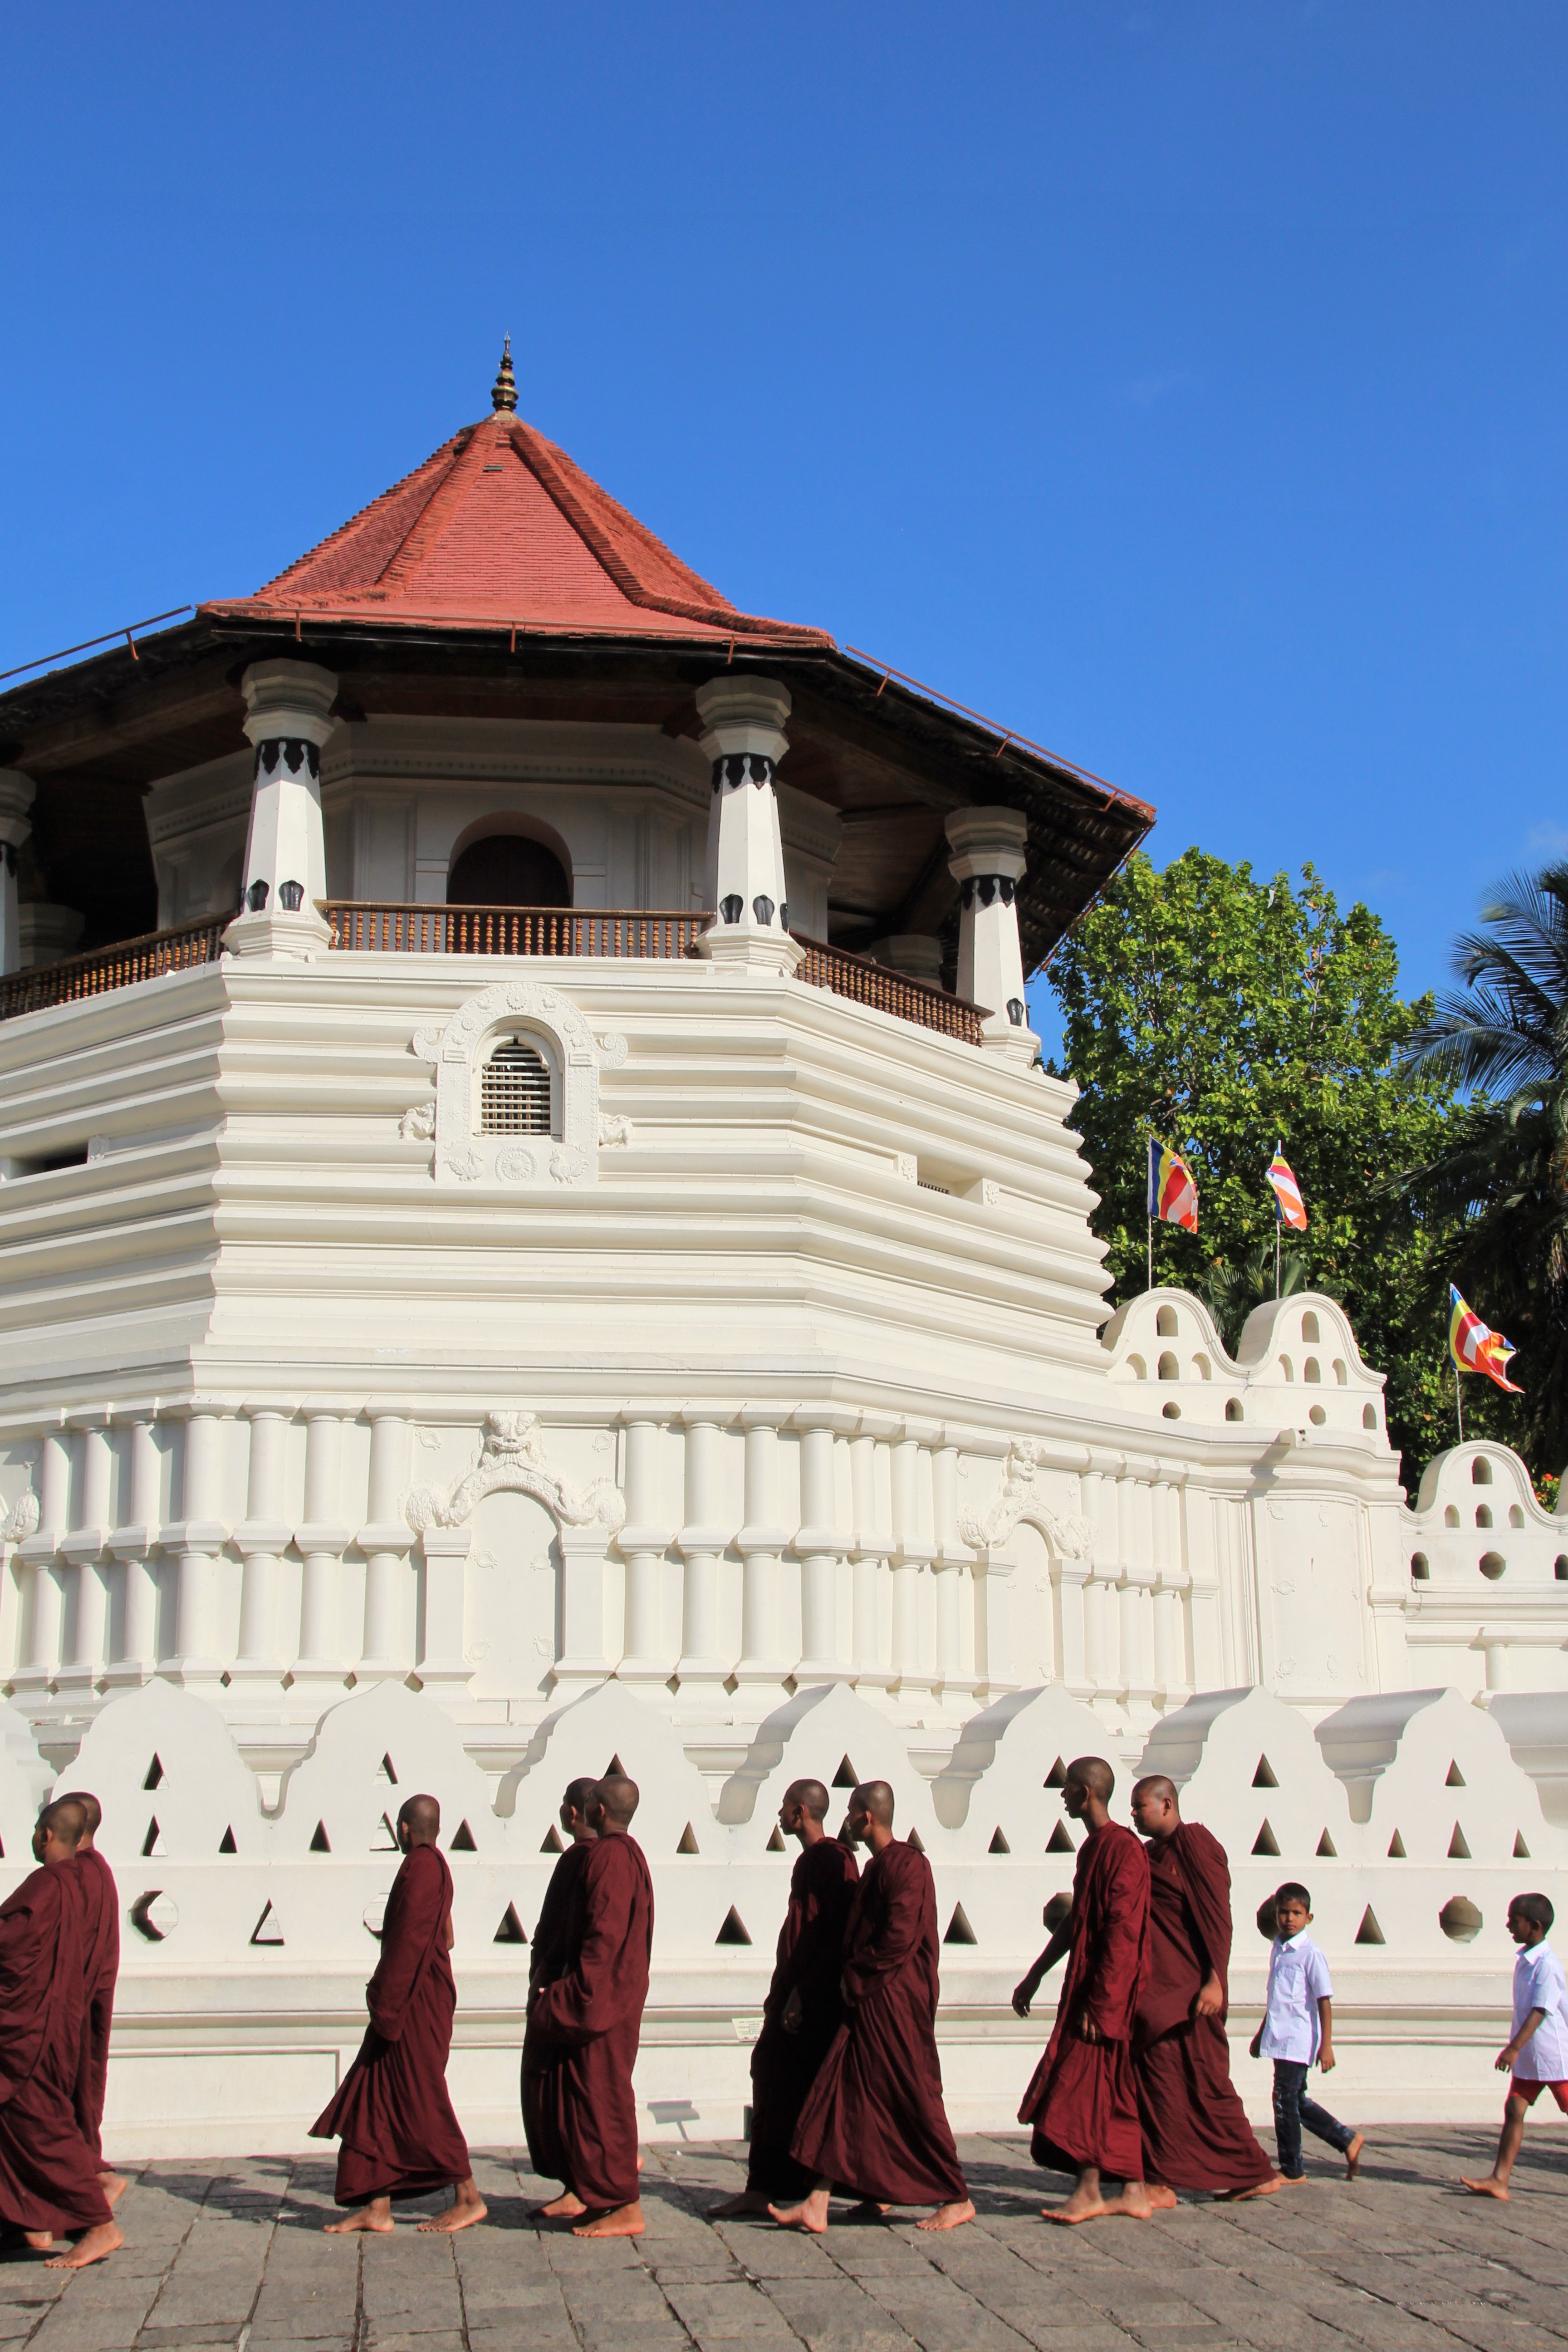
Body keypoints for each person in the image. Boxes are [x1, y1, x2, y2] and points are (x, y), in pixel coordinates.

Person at [769, 1780, 974, 2234]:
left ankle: (958, 2197)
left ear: (866, 1817)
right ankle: (823, 2201)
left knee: (915, 2096)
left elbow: (899, 1936)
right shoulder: (878, 1866)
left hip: (895, 2001)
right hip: (871, 2002)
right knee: (844, 2094)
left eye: (850, 1812)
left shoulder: (907, 1864)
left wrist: (855, 1976)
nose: (845, 1820)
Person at [310, 1794, 485, 2234]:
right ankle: (378, 2206)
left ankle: (469, 2196)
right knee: (377, 2095)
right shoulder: (437, 1866)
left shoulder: (420, 1867)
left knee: (422, 2095)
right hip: (420, 1995)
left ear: (403, 1829)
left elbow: (407, 1944)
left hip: (411, 2002)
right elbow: (446, 1938)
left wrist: (385, 1999)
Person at [1013, 1756, 1157, 2224]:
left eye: (1068, 1787)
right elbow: (1079, 1920)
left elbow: (1123, 1931)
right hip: (1090, 1987)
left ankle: (1089, 2190)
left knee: (1083, 2087)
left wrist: (1103, 2002)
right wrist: (1037, 1972)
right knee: (1115, 2092)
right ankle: (1134, 2191)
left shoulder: (1124, 1850)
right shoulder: (1094, 1849)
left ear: (1085, 1793)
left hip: (1106, 1995)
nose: (1062, 1795)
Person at [709, 1778, 860, 2218]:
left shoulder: (833, 1860)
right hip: (795, 1992)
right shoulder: (813, 1861)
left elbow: (832, 1936)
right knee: (772, 2082)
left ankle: (792, 2187)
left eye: (785, 1807)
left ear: (801, 1813)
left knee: (793, 2089)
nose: (779, 1815)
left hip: (813, 2001)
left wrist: (802, 1993)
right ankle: (766, 2186)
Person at [1127, 1776, 1281, 2201]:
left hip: (1193, 1992)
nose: (1134, 1814)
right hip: (1160, 1993)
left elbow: (1218, 1917)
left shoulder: (1197, 1845)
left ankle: (1254, 2170)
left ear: (1167, 1805)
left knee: (1207, 2085)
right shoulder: (1148, 1856)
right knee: (1158, 2085)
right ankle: (1159, 2179)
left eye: (1141, 1806)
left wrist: (1216, 1980)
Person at [525, 1774, 654, 2240]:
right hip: (609, 1996)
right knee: (587, 2100)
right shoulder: (627, 1855)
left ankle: (626, 2205)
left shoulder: (608, 1857)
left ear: (596, 1810)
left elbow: (603, 1937)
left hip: (599, 1999)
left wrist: (573, 1993)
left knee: (603, 2101)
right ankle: (591, 2191)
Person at [0, 1798, 122, 2269]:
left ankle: (98, 2223)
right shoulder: (80, 1877)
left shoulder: (48, 1884)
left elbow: (11, 1944)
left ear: (46, 1835)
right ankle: (21, 2220)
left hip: (30, 2034)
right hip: (59, 2019)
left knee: (40, 2127)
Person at [1248, 1881, 1364, 2182]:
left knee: (1283, 2099)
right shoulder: (1278, 1950)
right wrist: (1261, 2034)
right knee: (1295, 2100)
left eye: (1296, 1913)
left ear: (1308, 1918)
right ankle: (1347, 2139)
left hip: (1298, 2039)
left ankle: (1292, 2168)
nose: (1289, 1919)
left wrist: (1327, 2045)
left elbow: (1324, 2001)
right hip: (1278, 2036)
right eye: (1284, 1913)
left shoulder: (1311, 1955)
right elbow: (1276, 1998)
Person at [522, 1776, 599, 2219]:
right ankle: (578, 2184)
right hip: (575, 1991)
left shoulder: (579, 1859)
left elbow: (562, 1932)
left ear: (572, 1812)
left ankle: (585, 2181)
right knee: (568, 2091)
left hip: (562, 1993)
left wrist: (544, 1980)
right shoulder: (597, 1859)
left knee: (561, 2091)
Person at [1461, 1892, 1568, 2200]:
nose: (1509, 1925)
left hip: (1553, 2056)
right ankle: (1500, 2180)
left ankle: (1500, 2179)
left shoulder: (1547, 1965)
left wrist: (1513, 2049)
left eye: (1514, 1920)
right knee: (1514, 2109)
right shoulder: (1526, 1961)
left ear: (1534, 1926)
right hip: (1533, 2057)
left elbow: (1540, 2011)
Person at [57, 1790, 123, 2203]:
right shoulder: (99, 1871)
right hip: (87, 2002)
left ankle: (94, 2181)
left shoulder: (78, 1875)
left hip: (74, 2006)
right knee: (82, 2094)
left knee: (66, 2098)